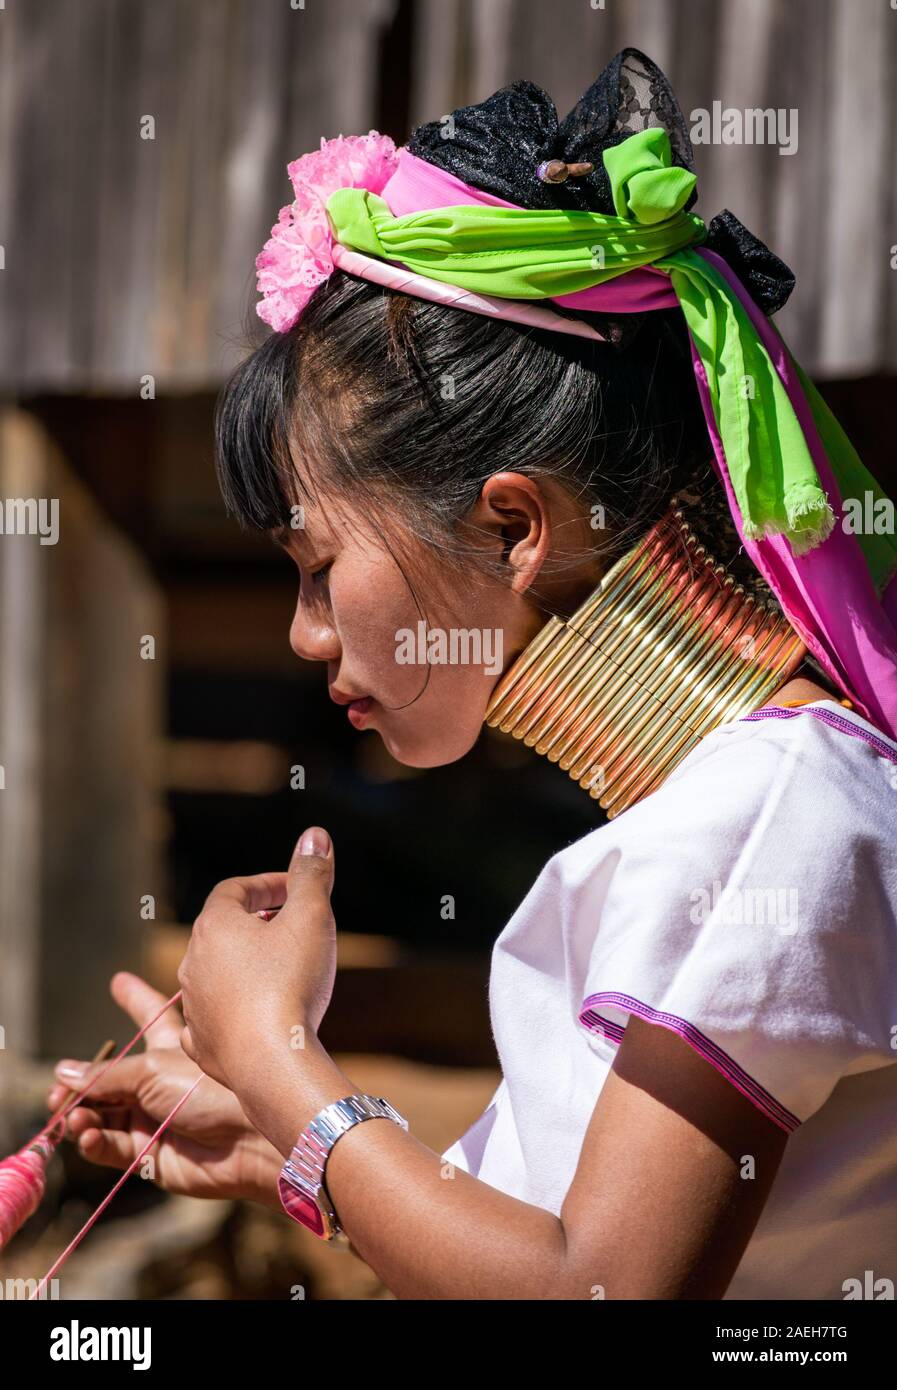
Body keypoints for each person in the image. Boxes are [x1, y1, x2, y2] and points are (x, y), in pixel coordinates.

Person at [49, 49, 897, 1300]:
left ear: (514, 528)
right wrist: (287, 1140)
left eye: (319, 564)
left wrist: (286, 1064)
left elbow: (593, 1291)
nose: (302, 634)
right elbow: (566, 1244)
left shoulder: (765, 818)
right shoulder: (733, 807)